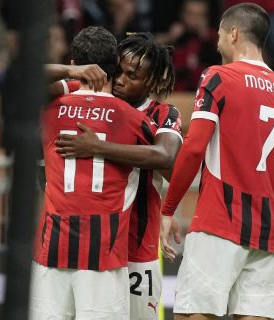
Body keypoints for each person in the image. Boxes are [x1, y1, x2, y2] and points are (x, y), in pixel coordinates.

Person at [160, 3, 274, 319]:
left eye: (220, 36)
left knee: (193, 314)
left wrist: (168, 208)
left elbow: (194, 147)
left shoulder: (218, 77)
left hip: (219, 221)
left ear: (234, 33)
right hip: (268, 233)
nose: (217, 44)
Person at [48, 32, 183, 320]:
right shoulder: (82, 91)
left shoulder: (163, 114)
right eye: (118, 70)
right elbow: (26, 81)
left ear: (154, 82)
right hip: (92, 244)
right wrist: (71, 69)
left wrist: (97, 147)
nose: (120, 79)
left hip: (136, 245)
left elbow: (167, 158)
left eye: (132, 75)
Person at [29, 26, 156, 320]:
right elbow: (168, 164)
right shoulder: (136, 120)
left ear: (74, 64)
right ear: (116, 67)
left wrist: (68, 76)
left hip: (52, 250)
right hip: (105, 254)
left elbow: (18, 80)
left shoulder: (50, 109)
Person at [156, 0, 220, 91]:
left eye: (199, 15)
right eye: (190, 14)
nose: (194, 19)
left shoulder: (214, 39)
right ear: (182, 14)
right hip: (175, 95)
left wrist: (207, 40)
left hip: (205, 95)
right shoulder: (175, 37)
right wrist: (170, 38)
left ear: (207, 18)